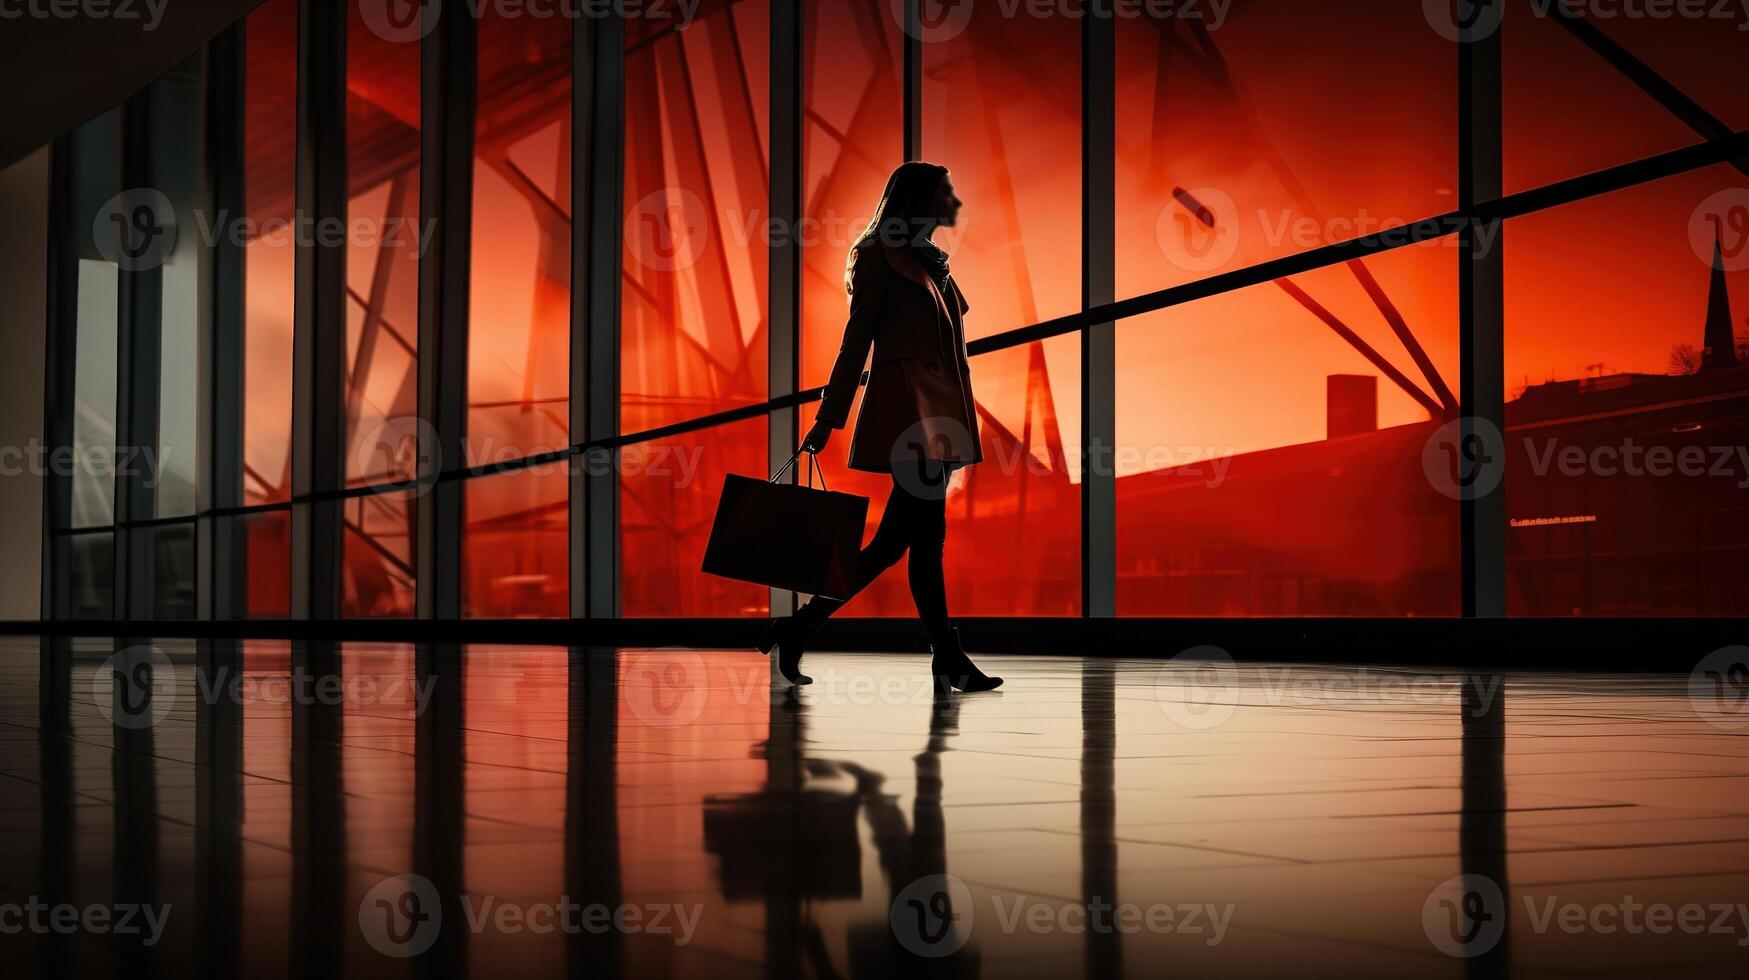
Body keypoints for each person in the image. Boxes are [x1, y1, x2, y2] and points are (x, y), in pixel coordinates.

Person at [757, 161, 1002, 694]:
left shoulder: (931, 264)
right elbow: (856, 342)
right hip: (907, 418)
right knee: (927, 541)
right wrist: (828, 419)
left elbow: (951, 355)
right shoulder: (879, 259)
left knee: (894, 544)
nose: (955, 201)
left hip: (935, 419)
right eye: (946, 191)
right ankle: (948, 658)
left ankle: (798, 627)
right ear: (919, 201)